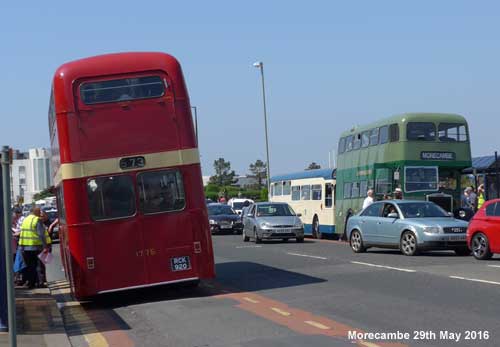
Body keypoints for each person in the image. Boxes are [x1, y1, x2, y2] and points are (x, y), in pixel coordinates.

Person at [18, 207, 49, 289]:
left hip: (25, 247)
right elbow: (41, 234)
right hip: (36, 246)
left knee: (30, 266)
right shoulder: (37, 220)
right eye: (39, 212)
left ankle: (31, 283)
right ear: (36, 212)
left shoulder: (25, 220)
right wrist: (45, 246)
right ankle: (40, 282)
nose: (40, 214)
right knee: (38, 265)